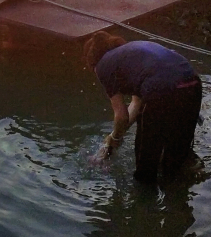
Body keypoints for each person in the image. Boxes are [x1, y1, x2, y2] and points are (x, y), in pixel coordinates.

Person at [83, 31, 202, 182]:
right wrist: (114, 138)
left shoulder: (102, 65)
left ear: (93, 61)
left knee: (146, 169)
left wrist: (114, 139)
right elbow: (136, 105)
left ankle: (145, 202)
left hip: (161, 90)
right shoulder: (131, 55)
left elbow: (121, 116)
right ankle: (179, 199)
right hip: (193, 85)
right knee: (176, 162)